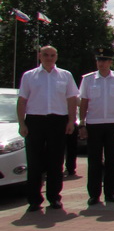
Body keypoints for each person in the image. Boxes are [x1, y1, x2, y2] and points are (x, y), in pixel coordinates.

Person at [17, 45, 79, 211]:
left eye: (52, 55)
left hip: (57, 121)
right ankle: (34, 200)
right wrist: (22, 123)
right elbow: (22, 101)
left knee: (56, 162)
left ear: (56, 57)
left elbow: (72, 99)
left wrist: (71, 121)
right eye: (45, 55)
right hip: (35, 121)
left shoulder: (65, 75)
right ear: (39, 56)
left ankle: (54, 198)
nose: (49, 58)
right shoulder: (29, 76)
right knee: (34, 162)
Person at [78, 47, 114, 206]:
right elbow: (84, 103)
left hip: (113, 123)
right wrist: (82, 124)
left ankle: (110, 193)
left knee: (112, 160)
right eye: (99, 60)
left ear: (110, 62)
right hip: (94, 123)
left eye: (105, 60)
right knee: (94, 161)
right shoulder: (88, 79)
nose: (102, 63)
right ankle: (94, 194)